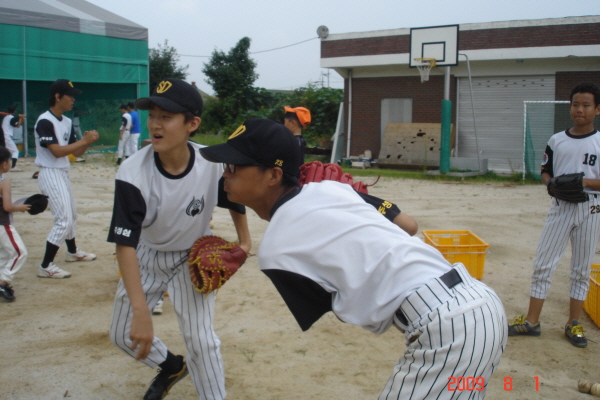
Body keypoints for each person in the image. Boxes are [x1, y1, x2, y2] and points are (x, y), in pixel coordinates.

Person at [199, 118, 507, 399]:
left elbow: (338, 304)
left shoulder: (275, 251)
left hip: (447, 329)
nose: (225, 174)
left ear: (274, 175)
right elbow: (408, 225)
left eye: (234, 167)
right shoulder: (330, 189)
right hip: (478, 307)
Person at [107, 78, 252, 400]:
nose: (156, 124)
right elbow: (124, 244)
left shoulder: (211, 163)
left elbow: (232, 197)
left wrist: (245, 241)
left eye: (166, 117)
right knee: (121, 334)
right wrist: (142, 311)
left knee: (201, 340)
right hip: (146, 255)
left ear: (192, 124)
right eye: (153, 114)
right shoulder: (132, 172)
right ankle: (171, 365)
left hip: (191, 258)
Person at [507, 82, 600, 348]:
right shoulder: (556, 140)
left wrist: (584, 182)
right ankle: (532, 321)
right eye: (575, 104)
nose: (579, 109)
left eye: (586, 105)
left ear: (597, 109)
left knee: (581, 269)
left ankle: (573, 323)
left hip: (592, 207)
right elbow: (546, 171)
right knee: (544, 263)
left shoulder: (599, 142)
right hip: (561, 206)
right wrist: (550, 183)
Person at [34, 79, 99, 279]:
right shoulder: (45, 121)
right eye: (69, 96)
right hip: (49, 172)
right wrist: (83, 140)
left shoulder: (67, 121)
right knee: (63, 220)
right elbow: (56, 152)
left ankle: (72, 252)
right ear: (57, 97)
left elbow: (75, 153)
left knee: (71, 215)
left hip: (62, 171)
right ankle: (46, 265)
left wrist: (86, 143)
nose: (73, 99)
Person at [0, 146, 30, 302]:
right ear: (4, 164)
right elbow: (7, 206)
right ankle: (3, 281)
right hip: (3, 225)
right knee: (20, 253)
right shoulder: (4, 183)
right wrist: (20, 207)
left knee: (4, 255)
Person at [2, 106, 26, 172]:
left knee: (5, 151)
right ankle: (13, 167)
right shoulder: (10, 118)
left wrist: (21, 118)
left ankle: (6, 165)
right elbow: (18, 126)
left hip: (3, 136)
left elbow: (17, 123)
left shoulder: (6, 117)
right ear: (14, 111)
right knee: (15, 151)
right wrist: (21, 118)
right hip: (6, 136)